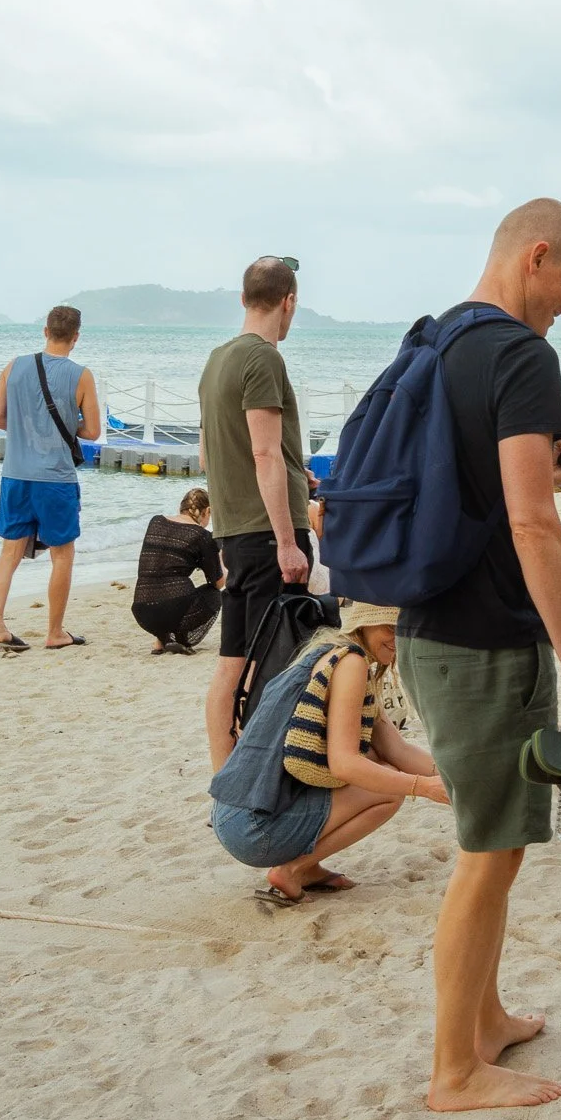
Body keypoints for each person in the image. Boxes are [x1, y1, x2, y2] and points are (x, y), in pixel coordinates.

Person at [394, 197, 561, 1113]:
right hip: (484, 640)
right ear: (536, 255)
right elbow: (531, 520)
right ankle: (453, 1071)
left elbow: (484, 483)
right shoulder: (524, 356)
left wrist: (548, 463)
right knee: (487, 851)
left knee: (498, 841)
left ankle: (483, 1022)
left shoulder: (436, 341)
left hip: (426, 628)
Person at [208, 603, 444, 904]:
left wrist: (456, 780)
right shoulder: (351, 663)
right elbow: (344, 764)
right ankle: (294, 869)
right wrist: (422, 788)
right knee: (389, 788)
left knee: (381, 763)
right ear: (364, 625)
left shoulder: (328, 652)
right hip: (253, 826)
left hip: (234, 811)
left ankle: (307, 868)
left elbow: (396, 749)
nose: (398, 640)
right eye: (391, 628)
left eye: (406, 632)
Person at [199, 256, 312, 768]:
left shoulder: (217, 359)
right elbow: (263, 454)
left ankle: (225, 779)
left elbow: (211, 454)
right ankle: (260, 779)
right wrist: (288, 542)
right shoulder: (264, 359)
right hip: (269, 536)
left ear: (243, 298)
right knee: (277, 669)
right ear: (288, 302)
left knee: (231, 664)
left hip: (233, 534)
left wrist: (293, 471)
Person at [0, 305, 100, 652]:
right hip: (56, 478)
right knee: (62, 555)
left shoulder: (13, 366)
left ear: (45, 331)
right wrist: (61, 427)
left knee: (9, 553)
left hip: (16, 474)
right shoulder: (81, 375)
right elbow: (93, 430)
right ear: (76, 337)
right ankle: (54, 632)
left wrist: (27, 429)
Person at [132, 487, 224, 654]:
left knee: (165, 588)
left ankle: (162, 641)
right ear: (207, 511)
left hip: (141, 611)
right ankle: (180, 639)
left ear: (181, 508)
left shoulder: (156, 521)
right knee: (213, 595)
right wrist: (223, 557)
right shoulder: (202, 536)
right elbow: (218, 583)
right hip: (174, 610)